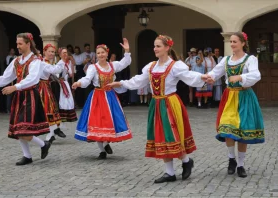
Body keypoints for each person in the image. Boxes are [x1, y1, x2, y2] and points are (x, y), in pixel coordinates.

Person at [105, 35, 209, 183]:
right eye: (154, 46)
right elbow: (139, 81)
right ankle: (170, 172)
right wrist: (120, 83)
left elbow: (189, 76)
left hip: (170, 104)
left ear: (167, 48)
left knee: (172, 136)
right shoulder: (151, 66)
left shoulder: (175, 66)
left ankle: (186, 160)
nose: (155, 49)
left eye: (158, 46)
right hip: (156, 104)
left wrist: (204, 77)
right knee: (160, 136)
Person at [206, 32, 264, 178]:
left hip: (244, 97)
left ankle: (241, 164)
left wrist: (241, 77)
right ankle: (231, 159)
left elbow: (256, 75)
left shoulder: (250, 59)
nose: (232, 44)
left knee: (242, 131)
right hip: (230, 97)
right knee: (228, 128)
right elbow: (215, 72)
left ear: (243, 43)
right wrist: (210, 78)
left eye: (235, 42)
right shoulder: (226, 60)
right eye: (230, 41)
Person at [0, 33, 51, 165]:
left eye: (20, 44)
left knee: (22, 129)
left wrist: (15, 87)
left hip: (30, 95)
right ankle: (28, 155)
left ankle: (43, 144)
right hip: (19, 95)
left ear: (28, 44)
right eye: (17, 43)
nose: (18, 46)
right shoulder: (16, 61)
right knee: (19, 128)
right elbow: (6, 77)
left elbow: (32, 79)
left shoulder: (36, 61)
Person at [72, 39, 132, 159]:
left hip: (110, 96)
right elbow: (87, 79)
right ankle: (102, 148)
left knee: (109, 120)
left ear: (107, 53)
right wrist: (79, 83)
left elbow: (125, 62)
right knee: (96, 121)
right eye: (98, 53)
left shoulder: (112, 65)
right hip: (97, 97)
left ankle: (105, 144)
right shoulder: (93, 68)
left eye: (102, 52)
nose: (100, 55)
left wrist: (127, 51)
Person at [41, 44, 66, 143]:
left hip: (46, 87)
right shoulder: (42, 62)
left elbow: (56, 73)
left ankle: (52, 132)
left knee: (50, 109)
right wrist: (62, 60)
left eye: (53, 52)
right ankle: (53, 131)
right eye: (50, 51)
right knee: (47, 110)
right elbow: (55, 70)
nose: (51, 53)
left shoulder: (48, 62)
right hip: (41, 87)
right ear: (44, 52)